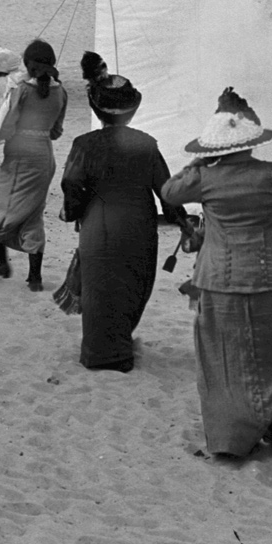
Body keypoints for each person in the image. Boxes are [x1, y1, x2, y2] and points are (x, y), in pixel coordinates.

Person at [161, 90, 272, 461]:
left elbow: (169, 192)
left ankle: (232, 437)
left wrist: (198, 161)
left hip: (218, 281)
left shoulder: (204, 179)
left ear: (214, 147)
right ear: (252, 141)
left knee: (224, 360)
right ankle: (271, 420)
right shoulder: (271, 173)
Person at [59, 74, 181, 373]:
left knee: (99, 288)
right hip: (139, 226)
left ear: (97, 110)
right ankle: (120, 344)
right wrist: (182, 221)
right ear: (132, 111)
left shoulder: (83, 144)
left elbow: (72, 183)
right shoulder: (146, 144)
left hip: (97, 226)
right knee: (133, 286)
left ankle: (100, 353)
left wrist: (74, 212)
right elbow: (167, 192)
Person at [0, 39, 69, 290]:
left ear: (28, 65)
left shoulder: (22, 90)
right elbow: (56, 132)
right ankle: (35, 277)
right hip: (44, 158)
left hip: (19, 155)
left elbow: (7, 125)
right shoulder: (61, 92)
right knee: (32, 213)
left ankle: (1, 261)